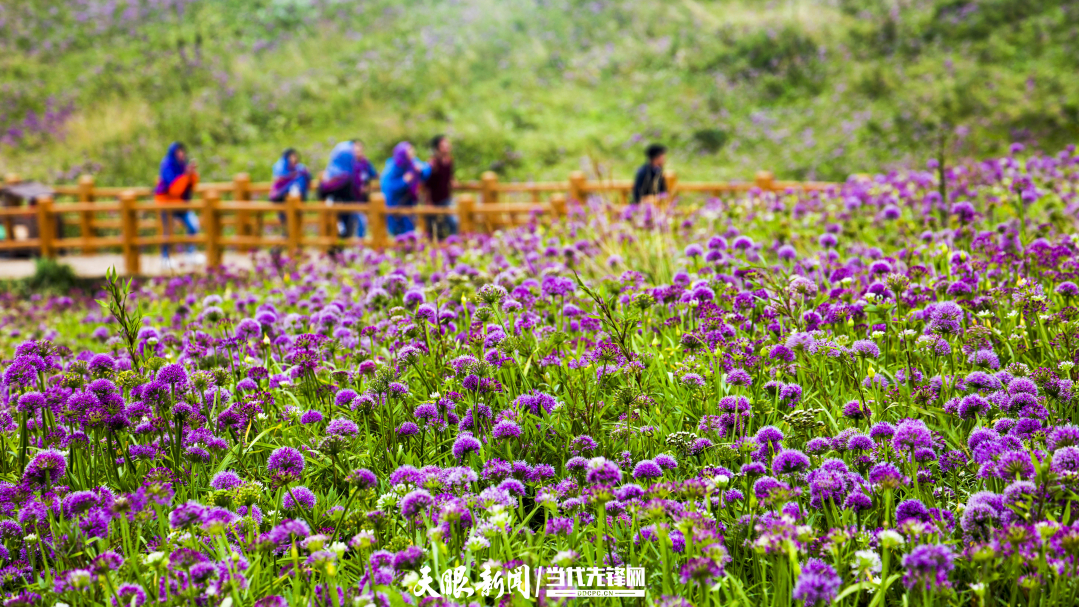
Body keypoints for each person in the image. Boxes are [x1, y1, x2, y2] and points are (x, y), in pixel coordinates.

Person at [154, 142, 204, 268]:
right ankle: (165, 258)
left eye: (182, 151)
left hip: (181, 204)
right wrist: (186, 175)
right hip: (166, 204)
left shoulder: (183, 165)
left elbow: (191, 185)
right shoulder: (167, 165)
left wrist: (191, 174)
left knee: (193, 225)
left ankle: (190, 255)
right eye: (178, 152)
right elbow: (174, 188)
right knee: (168, 231)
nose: (181, 154)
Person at [317, 140, 378, 238]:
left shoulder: (331, 173)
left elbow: (321, 193)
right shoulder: (347, 174)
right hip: (345, 208)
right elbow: (350, 191)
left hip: (339, 208)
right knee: (351, 227)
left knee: (351, 227)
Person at [381, 141, 431, 237]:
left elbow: (426, 169)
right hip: (395, 204)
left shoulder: (413, 163)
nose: (412, 153)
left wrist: (421, 170)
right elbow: (387, 186)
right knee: (397, 231)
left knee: (410, 229)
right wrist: (403, 181)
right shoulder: (392, 166)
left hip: (409, 203)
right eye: (409, 151)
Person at [425, 134, 458, 238]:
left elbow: (449, 175)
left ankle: (454, 243)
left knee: (453, 222)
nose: (447, 147)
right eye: (444, 145)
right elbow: (426, 184)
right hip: (433, 200)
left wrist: (452, 181)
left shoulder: (449, 160)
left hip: (446, 198)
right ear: (437, 148)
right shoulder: (433, 164)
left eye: (447, 145)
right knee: (435, 227)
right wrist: (428, 202)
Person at [269, 148, 311, 232]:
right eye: (292, 157)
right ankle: (287, 235)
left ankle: (295, 237)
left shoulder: (300, 169)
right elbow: (278, 179)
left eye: (295, 157)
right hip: (281, 197)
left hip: (298, 197)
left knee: (296, 216)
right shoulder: (280, 167)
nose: (294, 159)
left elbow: (308, 178)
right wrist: (291, 176)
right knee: (285, 218)